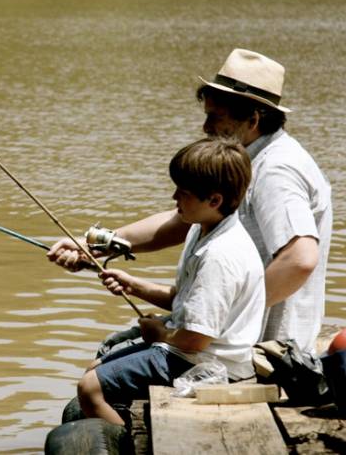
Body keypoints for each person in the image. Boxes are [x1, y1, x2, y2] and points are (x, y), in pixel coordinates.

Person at [48, 48, 332, 354]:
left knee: (104, 367)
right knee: (113, 349)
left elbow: (300, 259)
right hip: (222, 332)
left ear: (252, 119)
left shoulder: (276, 170)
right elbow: (181, 220)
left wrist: (227, 314)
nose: (206, 127)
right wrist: (96, 244)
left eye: (215, 117)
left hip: (257, 345)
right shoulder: (245, 160)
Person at [78, 138, 265, 423]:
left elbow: (196, 339)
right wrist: (134, 285)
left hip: (207, 364)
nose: (174, 197)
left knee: (90, 389)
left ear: (214, 200)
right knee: (95, 368)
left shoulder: (220, 256)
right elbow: (184, 298)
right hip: (188, 349)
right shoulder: (201, 229)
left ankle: (132, 446)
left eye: (183, 192)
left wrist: (160, 334)